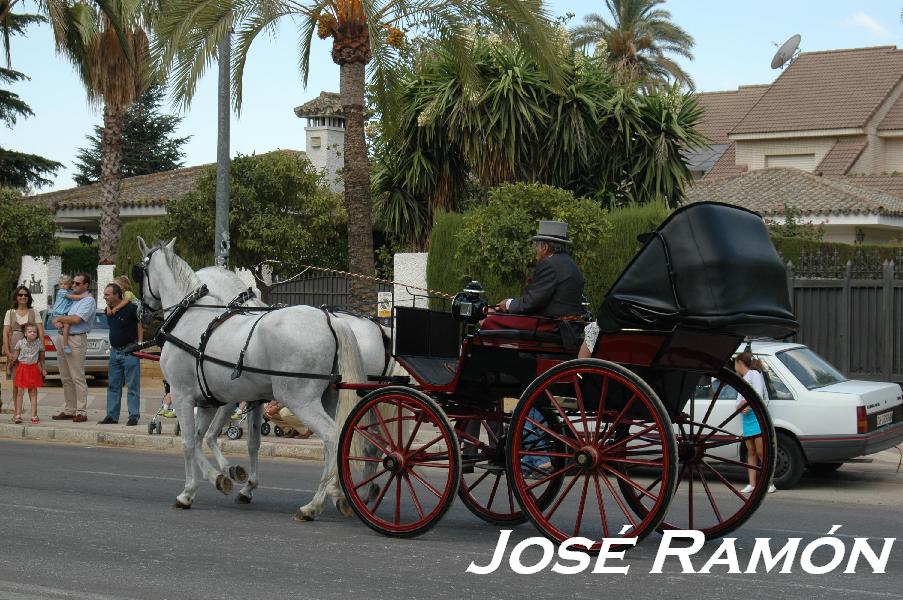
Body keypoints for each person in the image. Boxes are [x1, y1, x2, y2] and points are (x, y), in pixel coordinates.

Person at [483, 220, 585, 331]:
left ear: (545, 247)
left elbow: (532, 302)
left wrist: (508, 304)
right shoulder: (571, 264)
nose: (536, 249)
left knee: (491, 321)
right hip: (568, 325)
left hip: (551, 324)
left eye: (537, 246)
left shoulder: (549, 264)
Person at [50, 272, 96, 423]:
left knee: (77, 377)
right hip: (62, 337)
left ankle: (81, 411)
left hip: (76, 339)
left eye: (77, 283)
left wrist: (59, 318)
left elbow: (76, 319)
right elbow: (60, 316)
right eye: (73, 283)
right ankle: (70, 409)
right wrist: (58, 320)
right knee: (65, 377)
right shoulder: (73, 298)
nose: (73, 285)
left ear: (86, 285)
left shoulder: (88, 300)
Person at [98, 283, 143, 426]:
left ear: (116, 295)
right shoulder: (108, 310)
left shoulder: (131, 308)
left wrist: (140, 344)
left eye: (107, 294)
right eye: (104, 294)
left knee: (132, 386)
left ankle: (133, 416)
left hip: (130, 351)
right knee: (113, 385)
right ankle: (112, 416)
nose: (104, 297)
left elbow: (140, 324)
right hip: (115, 352)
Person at [734, 350, 776, 494]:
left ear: (740, 362)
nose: (734, 366)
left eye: (735, 363)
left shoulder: (754, 374)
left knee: (761, 452)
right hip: (746, 418)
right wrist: (741, 407)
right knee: (750, 452)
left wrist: (745, 404)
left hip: (757, 417)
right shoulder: (742, 379)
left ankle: (770, 483)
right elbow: (738, 401)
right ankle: (752, 484)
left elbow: (758, 394)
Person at [3, 286, 43, 410]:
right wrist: (7, 351)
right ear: (16, 297)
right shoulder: (10, 313)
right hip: (15, 350)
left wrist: (42, 350)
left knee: (32, 383)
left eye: (26, 295)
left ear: (29, 297)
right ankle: (17, 412)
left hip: (31, 352)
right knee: (16, 383)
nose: (23, 297)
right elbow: (5, 333)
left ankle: (33, 413)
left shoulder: (34, 312)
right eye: (20, 295)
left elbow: (41, 332)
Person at [11, 322, 46, 424]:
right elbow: (15, 357)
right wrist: (9, 366)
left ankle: (34, 415)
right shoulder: (20, 343)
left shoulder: (39, 343)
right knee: (20, 392)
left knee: (33, 392)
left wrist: (43, 369)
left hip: (33, 369)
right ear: (25, 334)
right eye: (30, 331)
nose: (33, 333)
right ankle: (18, 415)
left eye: (35, 332)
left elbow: (41, 358)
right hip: (22, 369)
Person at [49, 275, 90, 355]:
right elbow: (72, 297)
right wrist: (83, 296)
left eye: (65, 284)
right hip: (58, 313)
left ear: (69, 285)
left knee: (63, 326)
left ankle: (64, 343)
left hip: (64, 314)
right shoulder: (61, 291)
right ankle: (65, 345)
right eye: (61, 284)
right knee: (66, 325)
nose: (63, 286)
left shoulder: (70, 291)